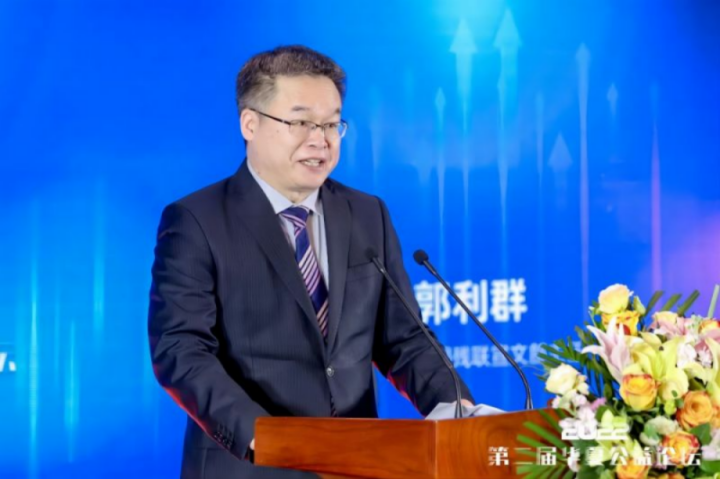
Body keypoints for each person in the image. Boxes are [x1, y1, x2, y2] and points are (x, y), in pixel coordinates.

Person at [148, 45, 474, 479]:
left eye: (331, 123)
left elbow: (404, 340)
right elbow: (181, 351)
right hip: (250, 467)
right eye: (301, 122)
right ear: (250, 124)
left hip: (357, 465)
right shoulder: (197, 220)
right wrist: (265, 437)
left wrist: (459, 411)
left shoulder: (367, 214)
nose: (320, 139)